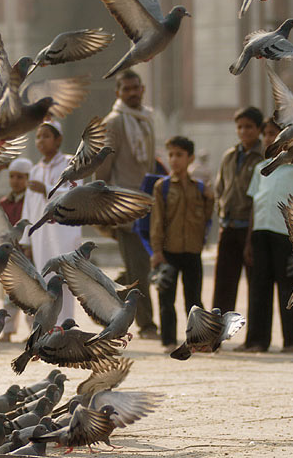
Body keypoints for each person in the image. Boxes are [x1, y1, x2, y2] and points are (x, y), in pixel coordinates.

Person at [237, 117, 293, 353]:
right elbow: (256, 204)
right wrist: (250, 241)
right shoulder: (260, 168)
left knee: (288, 287)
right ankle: (257, 341)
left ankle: (292, 341)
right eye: (267, 134)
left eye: (274, 133)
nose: (269, 138)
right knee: (258, 288)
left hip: (287, 236)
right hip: (261, 233)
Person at [94, 69, 158, 339]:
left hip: (148, 202)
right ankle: (147, 325)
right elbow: (103, 169)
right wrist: (103, 208)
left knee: (141, 266)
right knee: (139, 268)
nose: (132, 93)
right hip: (124, 205)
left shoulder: (147, 118)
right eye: (126, 89)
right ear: (118, 93)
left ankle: (109, 292)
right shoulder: (113, 122)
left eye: (136, 88)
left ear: (142, 89)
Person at [149, 136, 215, 351]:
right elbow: (157, 221)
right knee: (166, 300)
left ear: (191, 158)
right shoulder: (163, 187)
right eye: (171, 155)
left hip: (192, 250)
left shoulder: (199, 188)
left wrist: (210, 199)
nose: (174, 160)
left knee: (194, 300)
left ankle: (198, 339)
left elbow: (207, 218)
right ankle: (168, 340)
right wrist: (157, 251)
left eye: (179, 155)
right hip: (169, 251)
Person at [19, 120, 81, 326]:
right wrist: (26, 239)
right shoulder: (35, 170)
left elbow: (75, 193)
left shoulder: (71, 164)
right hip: (40, 236)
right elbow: (28, 207)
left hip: (63, 233)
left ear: (58, 139)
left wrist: (46, 189)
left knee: (62, 280)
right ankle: (47, 328)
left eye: (46, 136)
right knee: (43, 280)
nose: (41, 141)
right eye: (38, 136)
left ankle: (65, 325)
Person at [211, 106, 265, 313]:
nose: (244, 131)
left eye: (249, 127)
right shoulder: (229, 156)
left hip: (251, 229)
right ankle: (217, 334)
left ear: (259, 129)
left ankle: (254, 339)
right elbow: (220, 189)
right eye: (240, 127)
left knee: (255, 284)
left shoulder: (263, 158)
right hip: (229, 226)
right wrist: (222, 214)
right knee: (223, 285)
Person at [0, 156, 32, 342]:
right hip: (9, 257)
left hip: (28, 257)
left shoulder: (33, 202)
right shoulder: (4, 203)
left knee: (31, 296)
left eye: (20, 177)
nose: (15, 181)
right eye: (12, 176)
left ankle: (34, 332)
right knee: (10, 295)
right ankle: (8, 331)